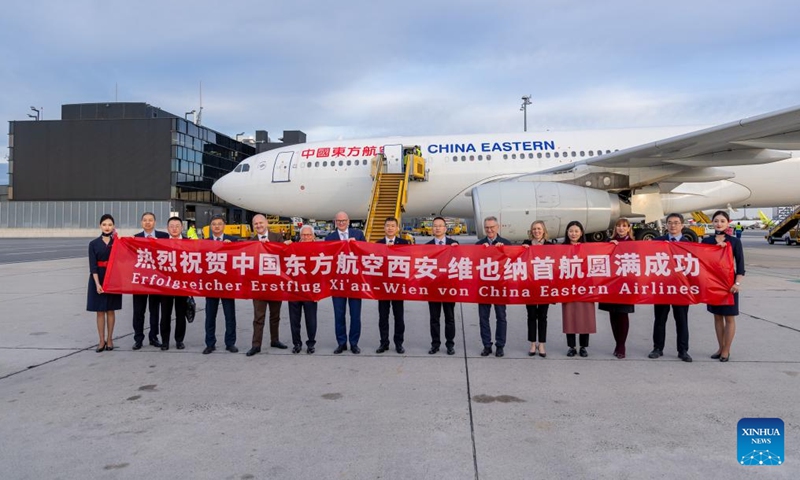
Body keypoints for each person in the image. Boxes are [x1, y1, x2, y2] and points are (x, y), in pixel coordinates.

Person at [648, 213, 693, 362]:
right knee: (660, 319)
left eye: (676, 222)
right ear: (666, 225)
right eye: (670, 223)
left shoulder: (690, 244)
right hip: (662, 288)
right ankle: (657, 348)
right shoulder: (657, 242)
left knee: (682, 320)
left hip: (681, 289)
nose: (673, 225)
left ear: (682, 225)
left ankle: (683, 350)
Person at [703, 210, 745, 362]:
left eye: (722, 221)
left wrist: (737, 283)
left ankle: (726, 350)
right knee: (717, 317)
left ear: (728, 223)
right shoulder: (706, 241)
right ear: (712, 223)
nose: (718, 224)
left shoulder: (734, 242)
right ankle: (720, 347)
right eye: (716, 221)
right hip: (713, 284)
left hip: (729, 285)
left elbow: (740, 265)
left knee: (729, 318)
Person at [246, 214, 290, 357]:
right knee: (259, 316)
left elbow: (285, 256)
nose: (258, 226)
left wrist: (286, 246)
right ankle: (256, 344)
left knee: (275, 315)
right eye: (256, 224)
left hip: (275, 284)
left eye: (260, 223)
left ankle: (275, 340)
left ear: (266, 223)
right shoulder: (251, 241)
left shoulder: (277, 237)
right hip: (259, 285)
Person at [325, 211, 366, 354]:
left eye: (344, 220)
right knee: (339, 314)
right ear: (335, 222)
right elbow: (326, 258)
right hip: (337, 282)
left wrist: (357, 246)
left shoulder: (358, 234)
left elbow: (366, 254)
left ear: (348, 221)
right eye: (338, 220)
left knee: (355, 315)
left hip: (355, 282)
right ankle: (341, 343)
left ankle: (354, 343)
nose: (341, 223)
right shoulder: (330, 238)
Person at [598, 218, 635, 359]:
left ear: (628, 228)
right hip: (610, 284)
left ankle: (621, 345)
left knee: (622, 314)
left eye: (624, 226)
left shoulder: (633, 244)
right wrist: (609, 246)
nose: (620, 228)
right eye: (618, 226)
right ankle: (617, 343)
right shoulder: (609, 242)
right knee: (612, 314)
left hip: (625, 284)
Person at [132, 212, 169, 350]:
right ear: (141, 222)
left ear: (155, 222)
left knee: (155, 311)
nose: (148, 222)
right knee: (138, 311)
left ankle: (154, 336)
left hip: (156, 281)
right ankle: (138, 338)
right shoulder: (135, 238)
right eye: (145, 220)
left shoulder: (163, 237)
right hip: (140, 281)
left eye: (150, 220)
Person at [476, 216, 511, 357]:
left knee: (501, 317)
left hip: (500, 287)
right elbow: (472, 265)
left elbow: (515, 262)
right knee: (483, 317)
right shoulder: (479, 244)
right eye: (487, 228)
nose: (489, 230)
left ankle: (500, 345)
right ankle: (486, 345)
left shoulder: (506, 243)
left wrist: (504, 251)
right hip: (483, 287)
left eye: (492, 227)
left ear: (498, 227)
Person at [203, 214, 238, 354]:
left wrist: (233, 248)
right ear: (210, 227)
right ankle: (210, 343)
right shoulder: (205, 242)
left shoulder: (233, 240)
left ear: (224, 226)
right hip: (211, 285)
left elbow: (241, 258)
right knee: (210, 316)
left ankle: (230, 343)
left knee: (230, 316)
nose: (216, 226)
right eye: (214, 224)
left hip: (227, 284)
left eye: (219, 224)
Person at [87, 214, 122, 352]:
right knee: (100, 311)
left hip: (113, 277)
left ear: (113, 226)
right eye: (104, 224)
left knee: (110, 310)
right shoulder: (93, 244)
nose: (107, 227)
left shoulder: (117, 243)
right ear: (100, 226)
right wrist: (97, 283)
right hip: (98, 278)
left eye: (110, 225)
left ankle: (110, 339)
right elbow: (93, 266)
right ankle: (101, 340)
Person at [562, 221, 596, 357]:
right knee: (569, 316)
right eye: (571, 231)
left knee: (585, 316)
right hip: (568, 287)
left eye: (576, 231)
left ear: (581, 232)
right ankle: (571, 346)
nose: (573, 234)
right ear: (567, 233)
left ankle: (583, 346)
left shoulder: (588, 248)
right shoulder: (561, 248)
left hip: (585, 287)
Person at [375, 217, 410, 354]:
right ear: (384, 228)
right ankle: (384, 343)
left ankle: (399, 343)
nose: (390, 228)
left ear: (397, 228)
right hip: (382, 287)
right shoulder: (377, 244)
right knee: (383, 317)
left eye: (392, 226)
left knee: (399, 316)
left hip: (398, 286)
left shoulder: (404, 243)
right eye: (387, 225)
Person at [427, 216, 459, 355]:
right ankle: (435, 344)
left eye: (440, 226)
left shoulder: (454, 244)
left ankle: (450, 344)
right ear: (432, 229)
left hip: (449, 287)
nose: (438, 228)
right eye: (435, 226)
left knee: (449, 318)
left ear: (445, 228)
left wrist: (456, 250)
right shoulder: (427, 246)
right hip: (433, 287)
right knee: (434, 318)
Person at [522, 220, 552, 357]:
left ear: (544, 230)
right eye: (534, 229)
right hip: (530, 286)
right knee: (531, 315)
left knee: (543, 316)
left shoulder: (551, 245)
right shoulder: (526, 244)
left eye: (539, 229)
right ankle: (533, 343)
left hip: (545, 286)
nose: (536, 231)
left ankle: (542, 344)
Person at [160, 216, 190, 350]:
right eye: (171, 226)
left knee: (180, 314)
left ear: (182, 228)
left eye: (177, 226)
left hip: (182, 285)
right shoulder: (160, 243)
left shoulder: (190, 243)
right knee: (165, 314)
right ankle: (165, 341)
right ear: (167, 228)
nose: (174, 228)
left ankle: (179, 340)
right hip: (165, 285)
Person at [289, 225, 319, 354]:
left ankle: (311, 343)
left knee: (311, 319)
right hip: (294, 289)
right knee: (294, 319)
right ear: (300, 236)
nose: (306, 237)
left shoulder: (319, 249)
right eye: (303, 235)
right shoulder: (292, 248)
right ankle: (297, 343)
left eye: (309, 235)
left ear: (313, 236)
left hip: (311, 290)